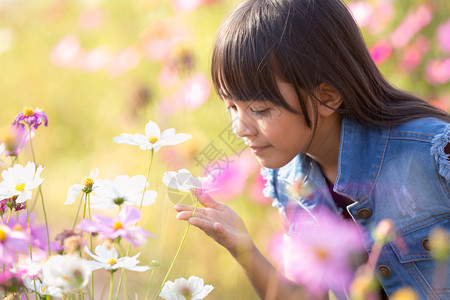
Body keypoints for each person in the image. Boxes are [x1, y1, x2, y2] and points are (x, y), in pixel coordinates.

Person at [174, 0, 450, 299]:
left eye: (260, 109)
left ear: (327, 97)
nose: (239, 128)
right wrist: (243, 248)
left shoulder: (434, 152)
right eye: (232, 106)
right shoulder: (288, 182)